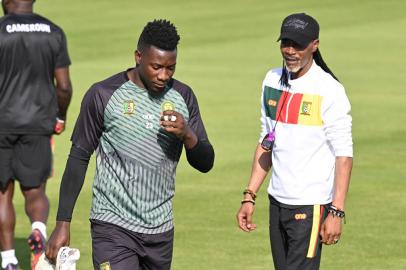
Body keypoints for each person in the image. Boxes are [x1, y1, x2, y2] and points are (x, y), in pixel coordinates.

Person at [45, 19, 215, 270]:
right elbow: (79, 157)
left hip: (160, 230)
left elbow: (205, 163)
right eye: (156, 66)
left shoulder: (183, 97)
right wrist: (63, 222)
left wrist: (187, 134)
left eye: (171, 68)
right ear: (138, 56)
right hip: (112, 226)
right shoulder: (103, 94)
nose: (163, 75)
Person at [236, 13, 353, 270]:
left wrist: (336, 211)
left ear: (315, 45)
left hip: (310, 206)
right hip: (277, 202)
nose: (290, 50)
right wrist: (249, 195)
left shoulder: (329, 89)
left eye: (298, 45)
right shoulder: (271, 80)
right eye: (285, 42)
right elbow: (266, 141)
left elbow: (344, 155)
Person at [0, 0, 72, 269]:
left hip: (1, 124)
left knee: (2, 194)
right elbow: (63, 86)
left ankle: (8, 260)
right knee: (35, 189)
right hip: (38, 123)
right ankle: (39, 228)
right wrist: (60, 116)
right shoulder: (53, 31)